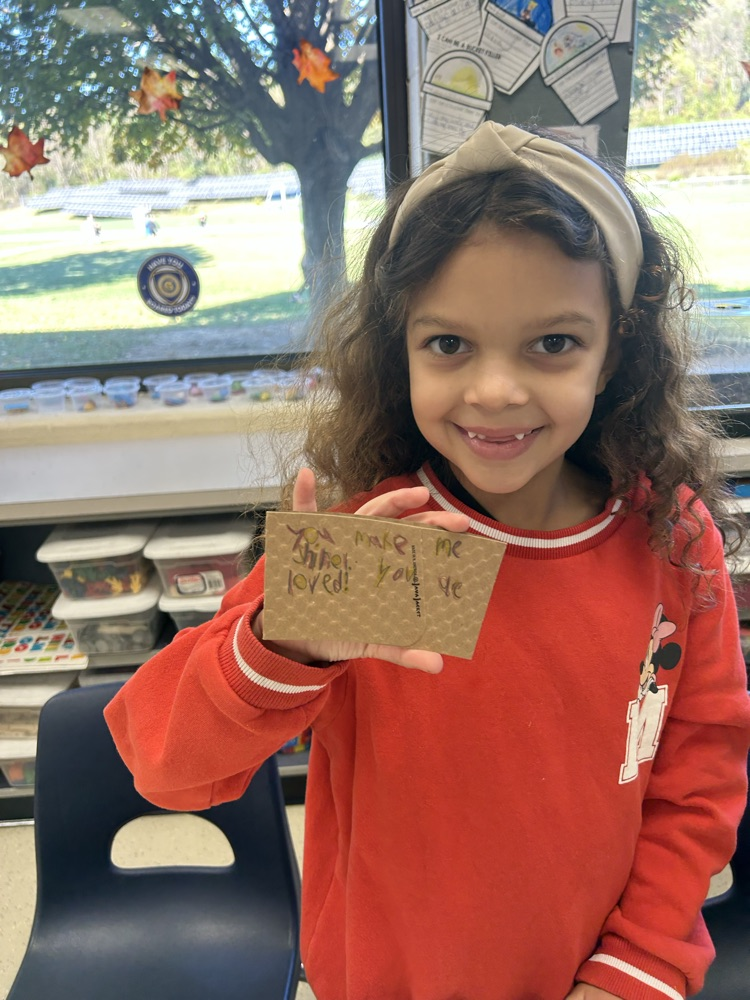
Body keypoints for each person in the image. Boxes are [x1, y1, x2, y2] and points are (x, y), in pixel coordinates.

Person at [105, 122, 750, 1000]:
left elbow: (697, 777)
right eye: (448, 344)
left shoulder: (669, 542)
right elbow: (166, 766)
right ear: (399, 349)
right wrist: (282, 645)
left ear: (615, 355)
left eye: (553, 343)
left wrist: (635, 965)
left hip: (601, 979)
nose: (495, 390)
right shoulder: (381, 542)